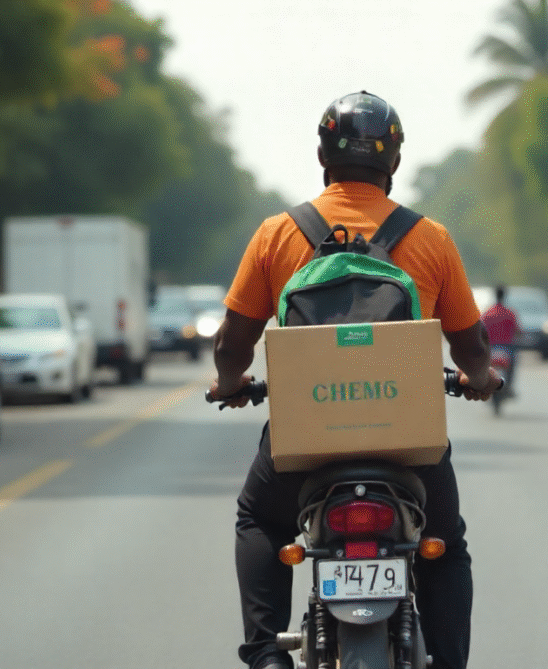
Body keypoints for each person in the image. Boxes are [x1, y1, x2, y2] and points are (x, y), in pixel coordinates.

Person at [207, 90, 503, 669]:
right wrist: (479, 377)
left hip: (304, 446)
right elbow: (472, 345)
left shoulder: (276, 236)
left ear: (323, 158)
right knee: (446, 549)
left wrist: (230, 383)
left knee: (258, 518)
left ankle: (268, 655)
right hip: (407, 447)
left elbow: (231, 344)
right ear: (393, 162)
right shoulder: (431, 239)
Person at [481, 284, 520, 383]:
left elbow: (480, 330)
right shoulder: (510, 314)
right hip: (507, 348)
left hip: (490, 348)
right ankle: (509, 385)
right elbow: (518, 331)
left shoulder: (487, 314)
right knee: (513, 363)